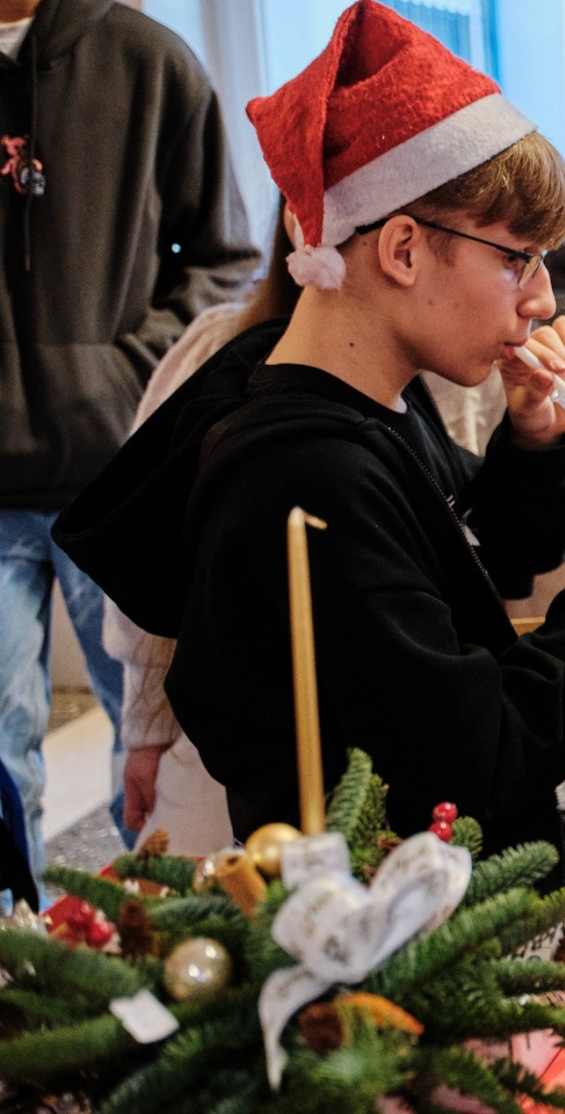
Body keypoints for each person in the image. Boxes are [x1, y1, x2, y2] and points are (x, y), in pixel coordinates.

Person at [57, 0, 565, 971]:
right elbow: (486, 760)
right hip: (450, 924)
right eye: (517, 260)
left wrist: (534, 442)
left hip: (511, 849)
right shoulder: (303, 476)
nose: (542, 298)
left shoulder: (374, 402)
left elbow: (485, 564)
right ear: (401, 249)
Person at [0, 0, 258, 893]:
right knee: (0, 758)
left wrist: (126, 372)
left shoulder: (150, 62)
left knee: (153, 755)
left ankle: (165, 947)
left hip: (119, 480)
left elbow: (227, 261)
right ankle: (24, 961)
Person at [107, 206, 303, 857]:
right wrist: (146, 726)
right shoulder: (222, 348)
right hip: (221, 742)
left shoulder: (467, 369)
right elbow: (158, 560)